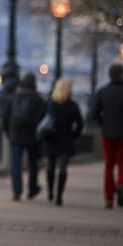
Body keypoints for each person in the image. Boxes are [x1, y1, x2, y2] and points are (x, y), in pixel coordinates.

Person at [91, 62, 123, 209]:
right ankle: (120, 184)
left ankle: (108, 198)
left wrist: (103, 124)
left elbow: (94, 113)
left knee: (109, 164)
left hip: (108, 133)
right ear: (122, 75)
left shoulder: (102, 92)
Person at [2, 72, 46, 202]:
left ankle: (17, 191)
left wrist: (9, 133)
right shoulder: (38, 99)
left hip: (15, 136)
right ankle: (32, 189)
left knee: (16, 164)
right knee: (33, 164)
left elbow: (6, 118)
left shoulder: (15, 98)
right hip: (32, 137)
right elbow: (43, 120)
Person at [43, 79, 84, 207]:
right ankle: (59, 196)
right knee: (62, 168)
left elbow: (44, 119)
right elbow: (80, 123)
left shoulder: (51, 104)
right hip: (66, 139)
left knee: (50, 166)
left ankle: (50, 192)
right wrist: (74, 135)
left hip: (51, 138)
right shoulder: (72, 105)